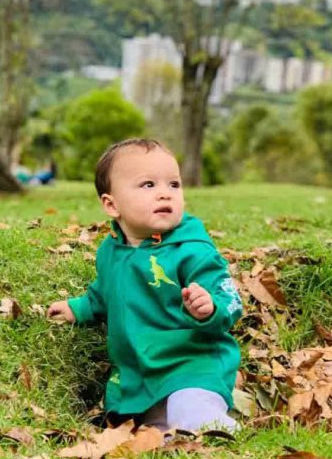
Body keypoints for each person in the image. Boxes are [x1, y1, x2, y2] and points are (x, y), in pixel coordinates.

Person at [47, 138, 242, 432]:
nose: (165, 194)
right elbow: (106, 292)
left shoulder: (192, 250)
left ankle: (214, 430)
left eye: (174, 185)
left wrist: (210, 307)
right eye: (148, 185)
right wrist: (77, 308)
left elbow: (229, 296)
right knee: (150, 427)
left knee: (189, 411)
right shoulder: (110, 251)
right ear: (111, 205)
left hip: (191, 366)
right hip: (138, 376)